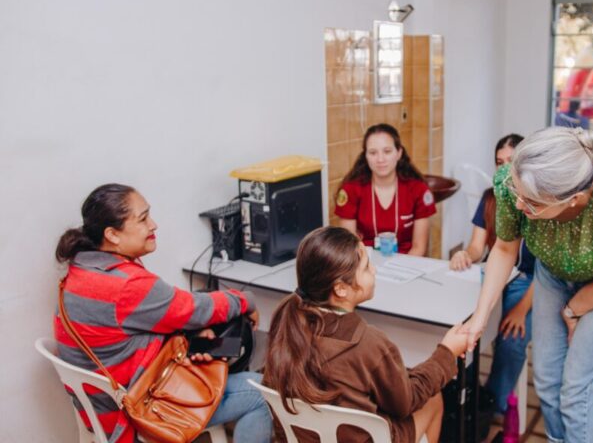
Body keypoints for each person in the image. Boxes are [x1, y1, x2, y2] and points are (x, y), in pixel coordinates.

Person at [463, 127, 593, 443]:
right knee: (547, 379)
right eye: (518, 194)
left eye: (533, 204)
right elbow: (504, 248)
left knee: (578, 388)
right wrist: (480, 316)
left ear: (574, 199)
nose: (520, 206)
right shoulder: (514, 183)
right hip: (554, 269)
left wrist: (574, 309)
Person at [54, 184, 272, 443]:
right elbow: (195, 309)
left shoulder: (80, 271)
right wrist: (245, 300)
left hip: (102, 407)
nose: (153, 225)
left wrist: (189, 328)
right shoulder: (126, 285)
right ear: (112, 234)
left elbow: (172, 309)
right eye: (143, 218)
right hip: (136, 413)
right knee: (263, 393)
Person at [263, 226, 468, 443]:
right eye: (367, 267)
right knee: (433, 399)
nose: (374, 270)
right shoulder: (370, 344)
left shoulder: (285, 328)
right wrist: (446, 353)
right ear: (341, 289)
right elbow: (405, 403)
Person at [448, 133, 535, 416]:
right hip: (493, 274)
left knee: (511, 339)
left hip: (528, 282)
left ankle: (489, 404)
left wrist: (521, 309)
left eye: (512, 161)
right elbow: (476, 247)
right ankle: (458, 393)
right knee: (461, 323)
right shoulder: (490, 198)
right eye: (499, 162)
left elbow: (548, 274)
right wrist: (465, 255)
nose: (505, 169)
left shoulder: (539, 203)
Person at [335, 123, 436, 256]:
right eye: (373, 153)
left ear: (399, 153)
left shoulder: (417, 190)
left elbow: (419, 247)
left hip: (408, 264)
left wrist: (400, 273)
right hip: (365, 264)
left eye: (387, 151)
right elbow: (349, 247)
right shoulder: (351, 190)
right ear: (365, 156)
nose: (380, 159)